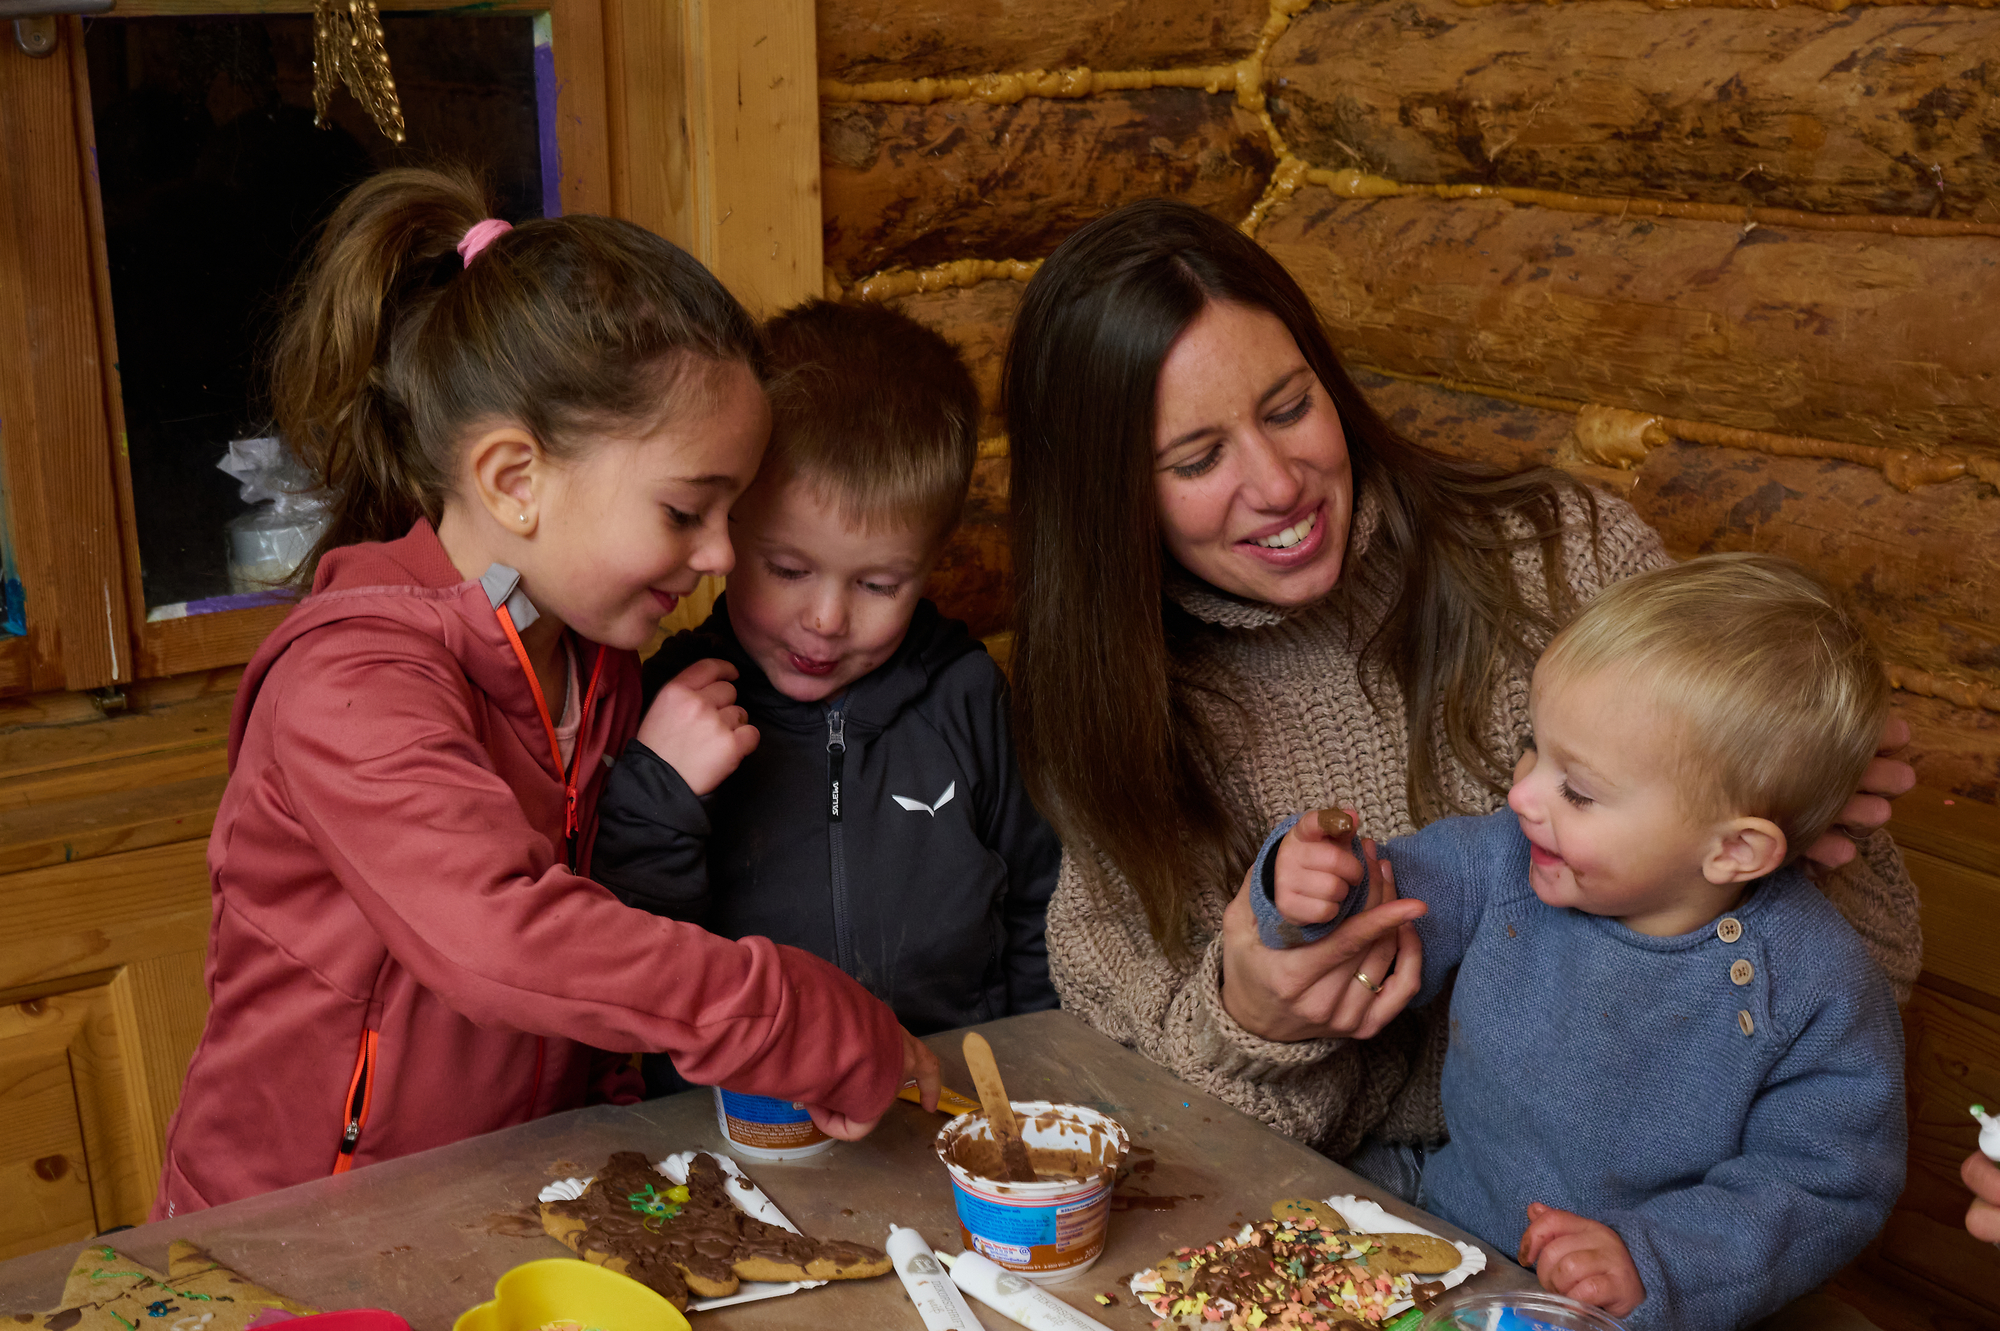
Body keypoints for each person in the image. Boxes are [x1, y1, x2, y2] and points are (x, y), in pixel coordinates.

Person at [1002, 197, 1920, 1168]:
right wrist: (1254, 1023)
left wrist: (1808, 835)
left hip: (1648, 1216)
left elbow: (1864, 972)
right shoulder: (1112, 722)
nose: (1275, 483)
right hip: (1357, 1218)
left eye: (1287, 407)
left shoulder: (1563, 556)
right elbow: (1177, 1147)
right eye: (1195, 458)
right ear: (1107, 499)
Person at [154, 169, 937, 1218]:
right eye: (684, 510)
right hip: (293, 1230)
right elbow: (505, 935)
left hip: (489, 1198)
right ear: (515, 478)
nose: (715, 554)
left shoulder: (593, 652)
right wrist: (793, 1011)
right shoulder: (350, 684)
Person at [1263, 553, 1905, 1329]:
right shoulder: (1505, 857)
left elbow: (1822, 1184)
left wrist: (1653, 1261)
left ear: (1732, 851)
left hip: (1638, 1303)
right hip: (1447, 1215)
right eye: (1534, 748)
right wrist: (1310, 883)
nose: (1521, 793)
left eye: (1580, 789)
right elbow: (1383, 900)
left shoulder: (1812, 985)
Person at [592, 300, 1060, 1096]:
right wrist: (656, 792)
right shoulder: (673, 703)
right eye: (788, 569)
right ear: (726, 529)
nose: (828, 620)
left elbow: (1038, 904)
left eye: (879, 583)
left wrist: (1034, 1074)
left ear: (930, 561)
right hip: (736, 1128)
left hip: (949, 1107)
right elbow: (635, 949)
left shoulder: (967, 694)